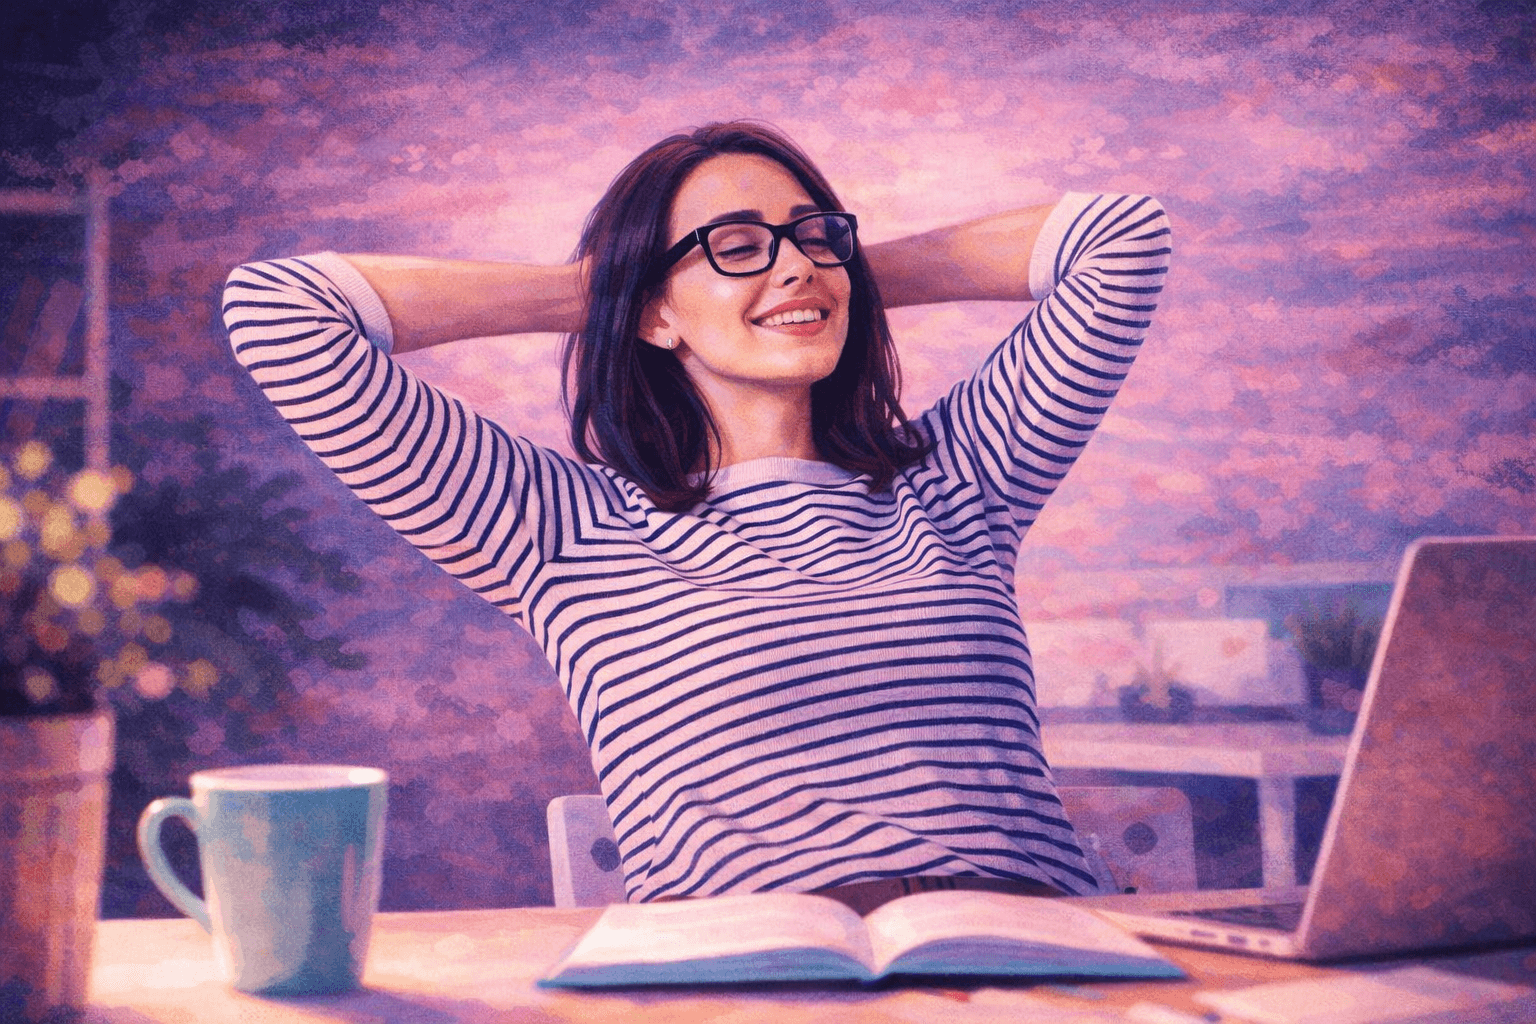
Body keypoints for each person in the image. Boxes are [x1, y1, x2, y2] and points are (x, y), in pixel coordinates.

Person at [223, 120, 1171, 912]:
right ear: (653, 316)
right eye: (737, 242)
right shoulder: (560, 530)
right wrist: (614, 291)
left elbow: (1121, 239)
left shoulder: (960, 479)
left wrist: (815, 277)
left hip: (1040, 955)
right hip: (748, 979)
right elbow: (280, 310)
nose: (796, 265)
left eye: (813, 234)